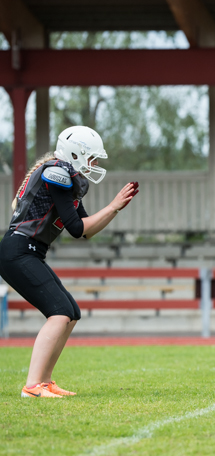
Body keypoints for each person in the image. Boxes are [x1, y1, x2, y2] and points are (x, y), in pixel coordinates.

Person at [0, 126, 138, 398]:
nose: (94, 164)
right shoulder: (57, 173)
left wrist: (115, 209)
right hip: (18, 251)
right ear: (76, 154)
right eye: (92, 158)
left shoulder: (67, 176)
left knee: (71, 313)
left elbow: (85, 230)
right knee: (59, 312)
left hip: (30, 251)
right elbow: (76, 228)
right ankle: (32, 386)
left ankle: (45, 381)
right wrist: (112, 206)